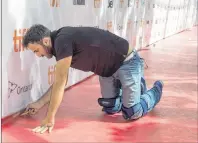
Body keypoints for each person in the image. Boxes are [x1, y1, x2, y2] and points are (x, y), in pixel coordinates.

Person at [21, 24, 164, 134]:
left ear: (45, 41)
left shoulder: (61, 40)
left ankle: (156, 90)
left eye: (36, 50)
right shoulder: (60, 45)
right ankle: (136, 88)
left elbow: (59, 83)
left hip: (127, 62)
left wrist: (49, 118)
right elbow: (60, 83)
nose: (37, 55)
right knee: (110, 107)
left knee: (132, 112)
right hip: (107, 72)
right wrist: (39, 104)